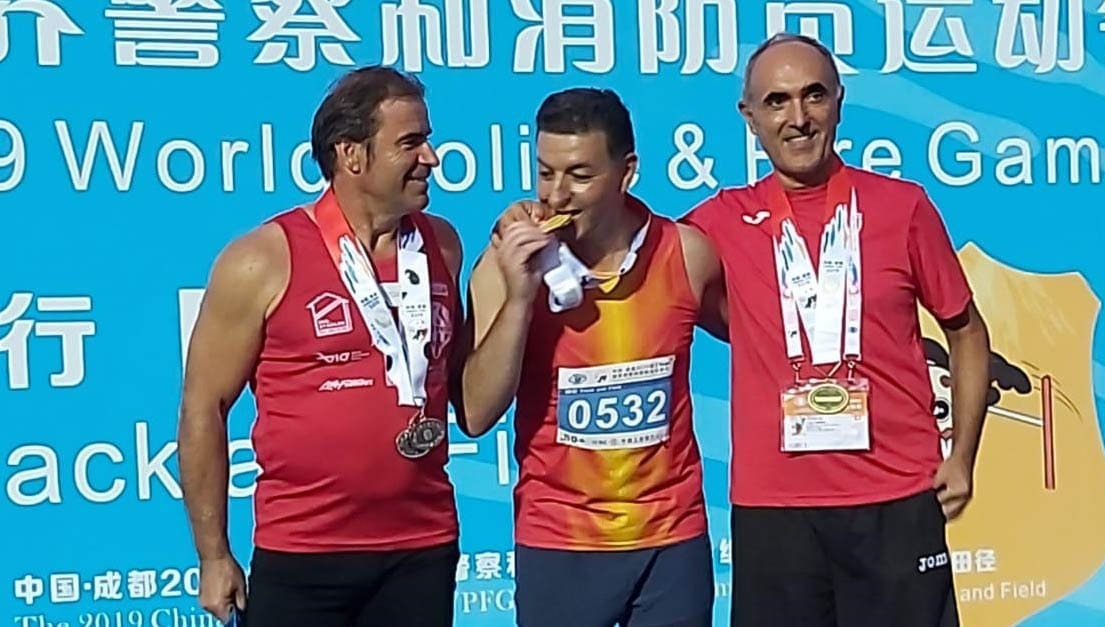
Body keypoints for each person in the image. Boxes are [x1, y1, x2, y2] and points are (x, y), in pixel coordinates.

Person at [493, 35, 992, 627]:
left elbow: (966, 332)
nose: (797, 118)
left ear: (838, 100)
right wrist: (525, 216)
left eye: (813, 96)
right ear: (749, 117)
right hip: (773, 511)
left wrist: (962, 456)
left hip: (895, 499)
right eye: (776, 101)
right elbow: (624, 242)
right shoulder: (714, 227)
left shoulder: (902, 207)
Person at [178, 66, 465, 627]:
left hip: (421, 545)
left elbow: (461, 388)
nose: (430, 158)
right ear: (351, 155)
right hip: (304, 550)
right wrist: (213, 556)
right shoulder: (262, 259)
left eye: (427, 140)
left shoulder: (443, 245)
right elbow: (202, 408)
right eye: (410, 143)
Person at [460, 87, 726, 627]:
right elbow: (475, 414)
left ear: (627, 172)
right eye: (545, 173)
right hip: (560, 541)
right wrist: (520, 298)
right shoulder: (503, 266)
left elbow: (761, 340)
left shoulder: (686, 254)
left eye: (580, 175)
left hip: (670, 541)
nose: (557, 195)